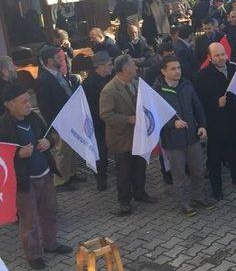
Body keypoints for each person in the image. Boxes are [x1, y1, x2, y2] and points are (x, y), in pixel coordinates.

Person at [0, 84, 72, 270]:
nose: (28, 103)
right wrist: (17, 154)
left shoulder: (33, 117)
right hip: (24, 182)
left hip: (45, 175)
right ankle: (33, 254)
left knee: (50, 212)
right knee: (29, 219)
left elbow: (51, 135)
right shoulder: (3, 126)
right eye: (23, 101)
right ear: (9, 104)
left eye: (28, 99)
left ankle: (51, 244)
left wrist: (50, 142)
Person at [100, 55, 158, 216]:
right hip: (122, 138)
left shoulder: (136, 83)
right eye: (133, 65)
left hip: (138, 136)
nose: (136, 67)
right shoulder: (109, 90)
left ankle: (140, 192)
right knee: (124, 171)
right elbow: (105, 114)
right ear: (125, 69)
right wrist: (127, 119)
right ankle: (124, 201)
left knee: (140, 166)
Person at [195, 42, 236, 199]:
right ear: (210, 58)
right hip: (215, 125)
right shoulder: (202, 75)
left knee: (235, 152)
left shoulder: (235, 70)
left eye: (222, 54)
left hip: (234, 121)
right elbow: (199, 102)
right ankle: (216, 188)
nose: (220, 58)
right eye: (216, 55)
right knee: (214, 158)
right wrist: (215, 103)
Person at [155, 55, 209, 216]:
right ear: (163, 71)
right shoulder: (157, 92)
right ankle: (185, 203)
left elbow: (198, 107)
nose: (177, 71)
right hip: (173, 142)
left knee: (198, 170)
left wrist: (203, 126)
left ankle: (198, 197)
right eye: (173, 69)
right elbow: (154, 117)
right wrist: (172, 124)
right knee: (179, 176)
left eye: (178, 68)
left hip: (192, 136)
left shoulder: (187, 85)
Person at [35, 44, 83, 192]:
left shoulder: (58, 74)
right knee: (62, 150)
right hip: (59, 120)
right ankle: (60, 180)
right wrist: (54, 123)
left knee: (72, 148)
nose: (60, 60)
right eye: (57, 58)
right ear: (49, 61)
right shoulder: (43, 80)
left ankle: (72, 173)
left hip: (70, 116)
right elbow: (45, 106)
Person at [82, 51, 113, 191]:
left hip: (104, 121)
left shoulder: (106, 79)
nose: (111, 67)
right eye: (109, 64)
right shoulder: (90, 84)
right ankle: (101, 178)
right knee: (99, 151)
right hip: (97, 123)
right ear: (100, 66)